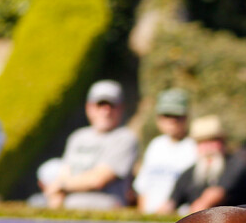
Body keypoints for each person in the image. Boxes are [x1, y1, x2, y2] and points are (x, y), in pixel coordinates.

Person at [42, 80, 138, 210]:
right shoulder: (77, 137)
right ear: (89, 107)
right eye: (100, 105)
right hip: (70, 212)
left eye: (111, 105)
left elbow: (98, 179)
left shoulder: (125, 138)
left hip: (105, 213)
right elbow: (64, 173)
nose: (106, 111)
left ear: (121, 109)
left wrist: (61, 185)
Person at [162, 115, 246, 215]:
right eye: (202, 142)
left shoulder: (236, 166)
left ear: (223, 142)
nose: (208, 148)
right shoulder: (189, 174)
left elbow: (213, 196)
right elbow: (170, 203)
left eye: (213, 140)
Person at [133, 88, 197, 213]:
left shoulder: (193, 148)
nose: (172, 121)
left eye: (177, 116)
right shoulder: (155, 145)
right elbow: (143, 187)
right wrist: (144, 216)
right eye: (167, 115)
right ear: (158, 118)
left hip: (179, 220)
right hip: (151, 217)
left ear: (186, 118)